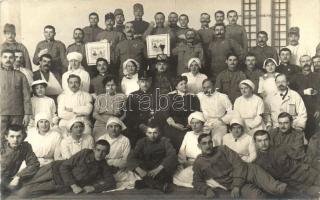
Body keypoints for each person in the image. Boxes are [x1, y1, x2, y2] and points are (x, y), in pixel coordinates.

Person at [193, 134, 287, 198]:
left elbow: (238, 163)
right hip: (234, 185)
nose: (208, 145)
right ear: (199, 146)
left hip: (249, 171)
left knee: (275, 188)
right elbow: (197, 181)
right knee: (257, 197)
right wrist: (206, 190)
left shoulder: (223, 149)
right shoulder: (199, 162)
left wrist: (237, 185)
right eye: (204, 143)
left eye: (210, 142)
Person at [18, 140, 116, 198]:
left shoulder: (103, 165)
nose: (100, 153)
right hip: (53, 169)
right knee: (24, 180)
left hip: (60, 183)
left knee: (23, 193)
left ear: (107, 153)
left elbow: (111, 183)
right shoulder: (85, 153)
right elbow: (65, 166)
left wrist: (94, 188)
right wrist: (74, 186)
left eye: (104, 152)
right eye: (98, 150)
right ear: (94, 149)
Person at [253, 130, 320, 197]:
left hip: (304, 173)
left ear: (269, 140)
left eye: (266, 140)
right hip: (293, 185)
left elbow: (301, 157)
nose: (263, 143)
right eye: (259, 141)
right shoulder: (257, 163)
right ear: (255, 142)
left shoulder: (281, 148)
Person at [173, 112, 224, 189]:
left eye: (197, 123)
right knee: (182, 175)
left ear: (202, 124)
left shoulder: (207, 136)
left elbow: (213, 156)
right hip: (189, 164)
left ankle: (202, 183)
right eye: (192, 123)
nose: (194, 125)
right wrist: (183, 163)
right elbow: (182, 152)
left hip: (203, 164)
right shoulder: (188, 134)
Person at [127, 122, 178, 193]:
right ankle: (160, 186)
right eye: (149, 133)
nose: (152, 136)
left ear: (159, 133)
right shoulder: (141, 142)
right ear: (146, 133)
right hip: (146, 168)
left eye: (155, 133)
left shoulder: (165, 141)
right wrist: (140, 170)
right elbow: (131, 157)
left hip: (159, 167)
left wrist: (158, 169)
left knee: (165, 175)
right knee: (156, 177)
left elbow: (172, 155)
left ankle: (143, 183)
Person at [98, 117, 139, 190]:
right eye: (111, 126)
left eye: (116, 126)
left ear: (120, 128)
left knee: (133, 179)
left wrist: (117, 167)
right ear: (107, 128)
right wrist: (106, 167)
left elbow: (126, 158)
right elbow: (98, 157)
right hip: (104, 167)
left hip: (119, 168)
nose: (113, 129)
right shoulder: (102, 138)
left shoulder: (125, 140)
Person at [125, 69, 163, 146]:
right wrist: (140, 125)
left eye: (147, 81)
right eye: (142, 81)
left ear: (151, 81)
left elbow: (161, 112)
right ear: (138, 82)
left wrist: (153, 125)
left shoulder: (158, 95)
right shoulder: (132, 96)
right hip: (138, 126)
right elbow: (129, 115)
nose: (145, 84)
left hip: (154, 125)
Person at [0, 49, 32, 140]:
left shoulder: (21, 76)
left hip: (17, 114)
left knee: (17, 138)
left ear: (14, 59)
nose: (8, 60)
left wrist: (27, 114)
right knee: (1, 138)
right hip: (1, 113)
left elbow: (26, 96)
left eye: (10, 57)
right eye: (5, 57)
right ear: (1, 59)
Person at [163, 75, 201, 150]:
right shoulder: (170, 96)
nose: (184, 85)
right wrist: (174, 124)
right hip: (173, 124)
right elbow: (166, 112)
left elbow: (196, 112)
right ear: (176, 87)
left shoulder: (193, 97)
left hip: (189, 124)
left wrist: (190, 124)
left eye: (185, 83)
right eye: (181, 84)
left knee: (189, 137)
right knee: (171, 136)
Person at [1, 125, 40, 197]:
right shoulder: (1, 147)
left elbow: (34, 164)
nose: (15, 140)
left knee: (25, 194)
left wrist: (18, 176)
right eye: (12, 136)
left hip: (11, 180)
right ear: (6, 137)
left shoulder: (25, 147)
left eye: (18, 136)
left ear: (23, 137)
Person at [197, 79, 233, 145]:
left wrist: (223, 120)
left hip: (219, 123)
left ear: (214, 86)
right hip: (205, 123)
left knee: (217, 142)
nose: (206, 90)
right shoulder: (200, 96)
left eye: (208, 87)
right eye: (204, 88)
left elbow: (231, 111)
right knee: (202, 142)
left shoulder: (222, 96)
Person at [291, 64, 320, 140]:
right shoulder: (295, 77)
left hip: (313, 110)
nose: (306, 63)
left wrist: (318, 108)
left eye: (307, 61)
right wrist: (304, 92)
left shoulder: (317, 76)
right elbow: (291, 93)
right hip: (300, 108)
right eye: (303, 61)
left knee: (314, 132)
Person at [93, 75, 126, 140]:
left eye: (113, 85)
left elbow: (126, 114)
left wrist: (117, 122)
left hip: (115, 124)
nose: (110, 87)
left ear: (116, 86)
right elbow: (95, 114)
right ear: (105, 87)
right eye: (108, 85)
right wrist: (106, 122)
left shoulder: (122, 97)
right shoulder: (100, 97)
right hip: (101, 124)